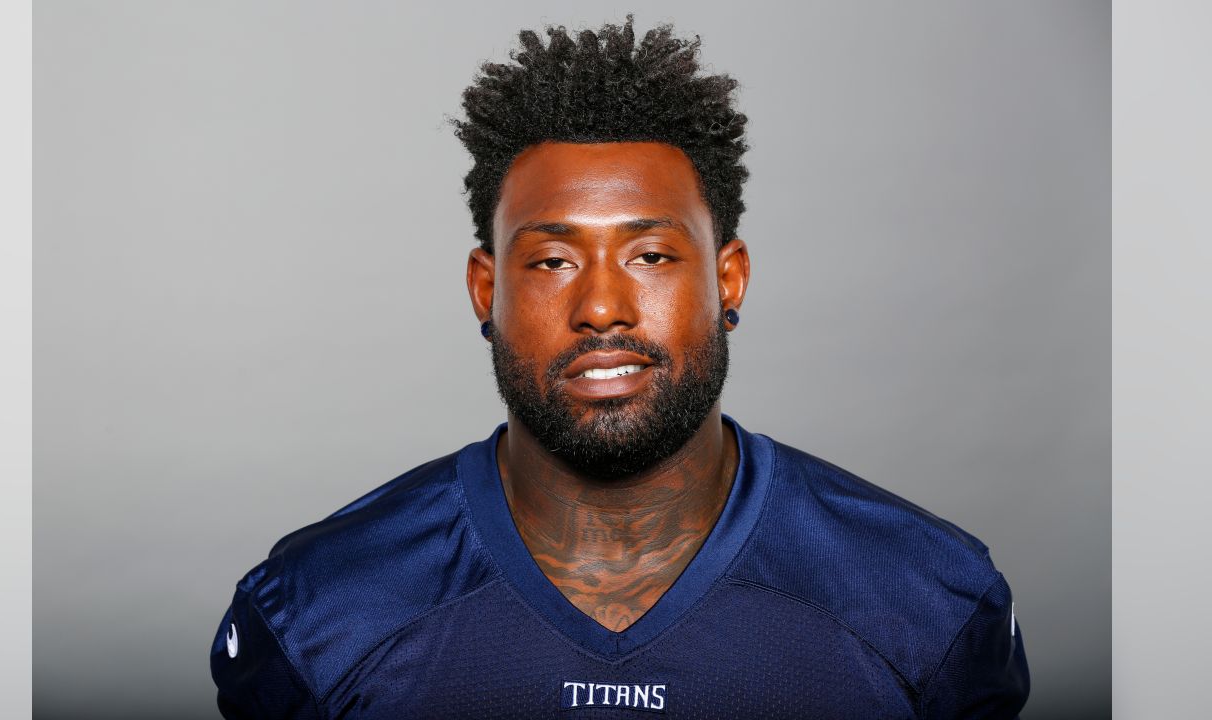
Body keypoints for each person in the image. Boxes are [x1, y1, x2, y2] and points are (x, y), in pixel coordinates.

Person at [209, 17, 1029, 719]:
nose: (602, 307)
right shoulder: (321, 610)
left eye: (650, 254)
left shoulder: (926, 600)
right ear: (485, 291)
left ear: (728, 277)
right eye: (553, 261)